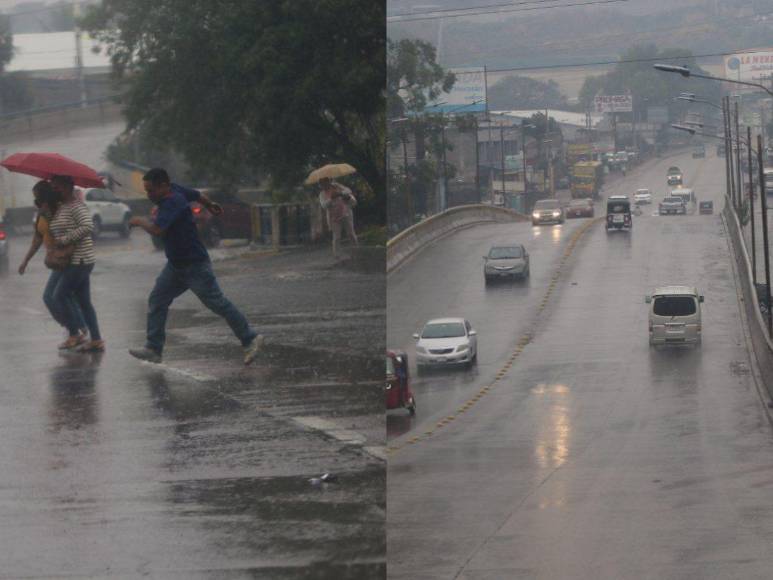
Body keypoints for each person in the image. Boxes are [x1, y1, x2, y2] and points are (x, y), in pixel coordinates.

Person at [127, 168, 263, 365]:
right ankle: (154, 349)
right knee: (157, 300)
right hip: (176, 266)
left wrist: (140, 221)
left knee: (217, 303)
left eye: (151, 190)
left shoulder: (173, 201)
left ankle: (250, 338)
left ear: (163, 186)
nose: (149, 195)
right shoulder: (175, 189)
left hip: (194, 265)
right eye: (146, 191)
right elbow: (197, 195)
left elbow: (157, 229)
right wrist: (210, 204)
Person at [18, 181, 88, 346]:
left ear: (45, 196)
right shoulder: (42, 214)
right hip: (56, 260)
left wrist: (49, 216)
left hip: (68, 258)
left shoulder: (59, 210)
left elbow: (66, 231)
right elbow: (37, 239)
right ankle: (76, 328)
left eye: (37, 198)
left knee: (54, 296)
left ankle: (76, 330)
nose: (36, 202)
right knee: (61, 297)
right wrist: (25, 261)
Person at [48, 174, 104, 352]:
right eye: (52, 187)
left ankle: (75, 333)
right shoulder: (62, 207)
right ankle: (96, 339)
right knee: (84, 302)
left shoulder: (76, 206)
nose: (54, 190)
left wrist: (65, 239)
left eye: (56, 187)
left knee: (59, 296)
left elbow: (87, 226)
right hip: (71, 260)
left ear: (66, 187)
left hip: (80, 259)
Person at [318, 177, 358, 258]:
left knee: (351, 234)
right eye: (322, 184)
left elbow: (348, 190)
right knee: (337, 237)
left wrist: (340, 193)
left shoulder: (337, 186)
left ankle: (356, 251)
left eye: (325, 182)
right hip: (334, 217)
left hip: (346, 213)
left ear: (328, 181)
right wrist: (331, 198)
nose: (324, 185)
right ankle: (337, 254)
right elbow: (324, 206)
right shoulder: (322, 194)